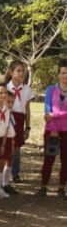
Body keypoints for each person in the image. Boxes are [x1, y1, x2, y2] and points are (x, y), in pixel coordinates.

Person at [38, 59, 67, 197]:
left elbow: (52, 114)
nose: (65, 76)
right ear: (58, 74)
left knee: (65, 160)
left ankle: (61, 188)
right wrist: (54, 126)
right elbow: (47, 111)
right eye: (63, 73)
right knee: (48, 159)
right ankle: (43, 187)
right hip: (51, 130)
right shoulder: (51, 89)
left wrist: (54, 115)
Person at [5, 60, 33, 185]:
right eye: (18, 71)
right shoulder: (5, 87)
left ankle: (14, 173)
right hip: (7, 117)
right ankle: (2, 174)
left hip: (20, 119)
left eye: (23, 71)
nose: (21, 73)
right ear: (11, 72)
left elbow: (27, 108)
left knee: (16, 147)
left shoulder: (26, 89)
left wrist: (27, 127)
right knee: (6, 146)